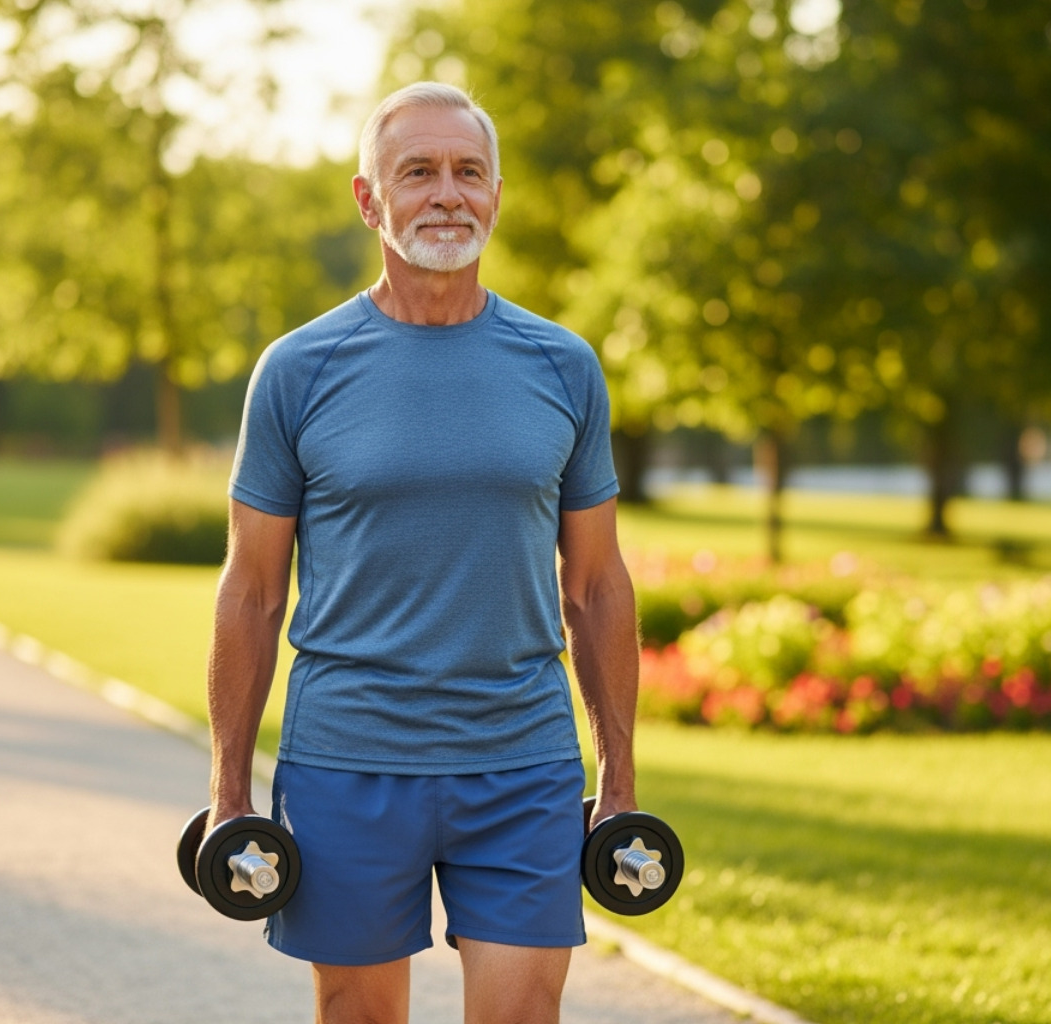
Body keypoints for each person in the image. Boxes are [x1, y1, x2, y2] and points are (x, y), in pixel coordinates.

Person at [204, 80, 640, 1024]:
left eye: (468, 171)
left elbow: (598, 586)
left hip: (521, 760)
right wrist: (228, 787)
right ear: (370, 199)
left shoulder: (563, 365)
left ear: (494, 193)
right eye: (419, 172)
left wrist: (620, 780)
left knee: (524, 1012)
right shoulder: (298, 370)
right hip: (347, 758)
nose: (449, 193)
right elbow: (250, 592)